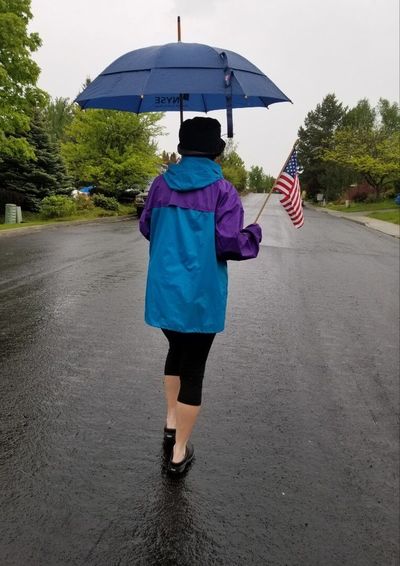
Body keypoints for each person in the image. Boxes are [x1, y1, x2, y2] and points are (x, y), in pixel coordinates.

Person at [139, 117, 262, 475]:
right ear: (217, 151)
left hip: (164, 289)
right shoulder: (224, 191)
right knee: (193, 366)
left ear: (181, 147)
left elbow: (147, 226)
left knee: (176, 351)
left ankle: (170, 421)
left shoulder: (160, 185)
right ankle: (178, 453)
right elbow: (228, 243)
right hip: (201, 294)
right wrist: (252, 234)